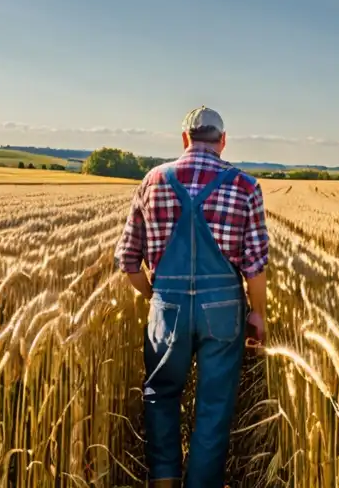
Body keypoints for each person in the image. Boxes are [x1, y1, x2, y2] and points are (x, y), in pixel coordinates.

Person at [114, 105, 269, 488]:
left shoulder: (153, 180)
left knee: (161, 394)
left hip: (168, 308)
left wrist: (157, 297)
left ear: (184, 139)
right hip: (224, 310)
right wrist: (258, 314)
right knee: (214, 405)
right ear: (223, 141)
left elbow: (128, 261)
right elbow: (255, 265)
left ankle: (164, 480)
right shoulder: (245, 186)